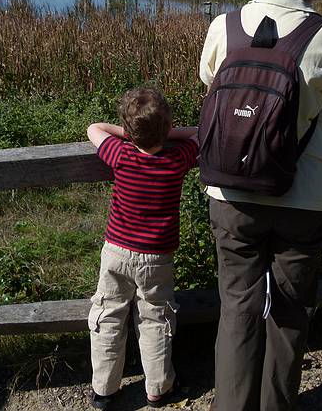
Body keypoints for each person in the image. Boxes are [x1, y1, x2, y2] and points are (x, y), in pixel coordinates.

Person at [199, 0, 322, 410]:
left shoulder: (223, 26)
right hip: (304, 194)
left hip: (232, 191)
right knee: (290, 310)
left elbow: (214, 93)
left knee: (237, 308)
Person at [85, 86, 199, 410]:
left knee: (108, 316)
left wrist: (129, 132)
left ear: (129, 130)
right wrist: (169, 131)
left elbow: (94, 128)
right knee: (156, 318)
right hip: (157, 257)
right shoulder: (177, 159)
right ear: (167, 127)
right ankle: (159, 388)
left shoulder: (121, 154)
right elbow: (203, 132)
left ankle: (103, 391)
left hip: (116, 252)